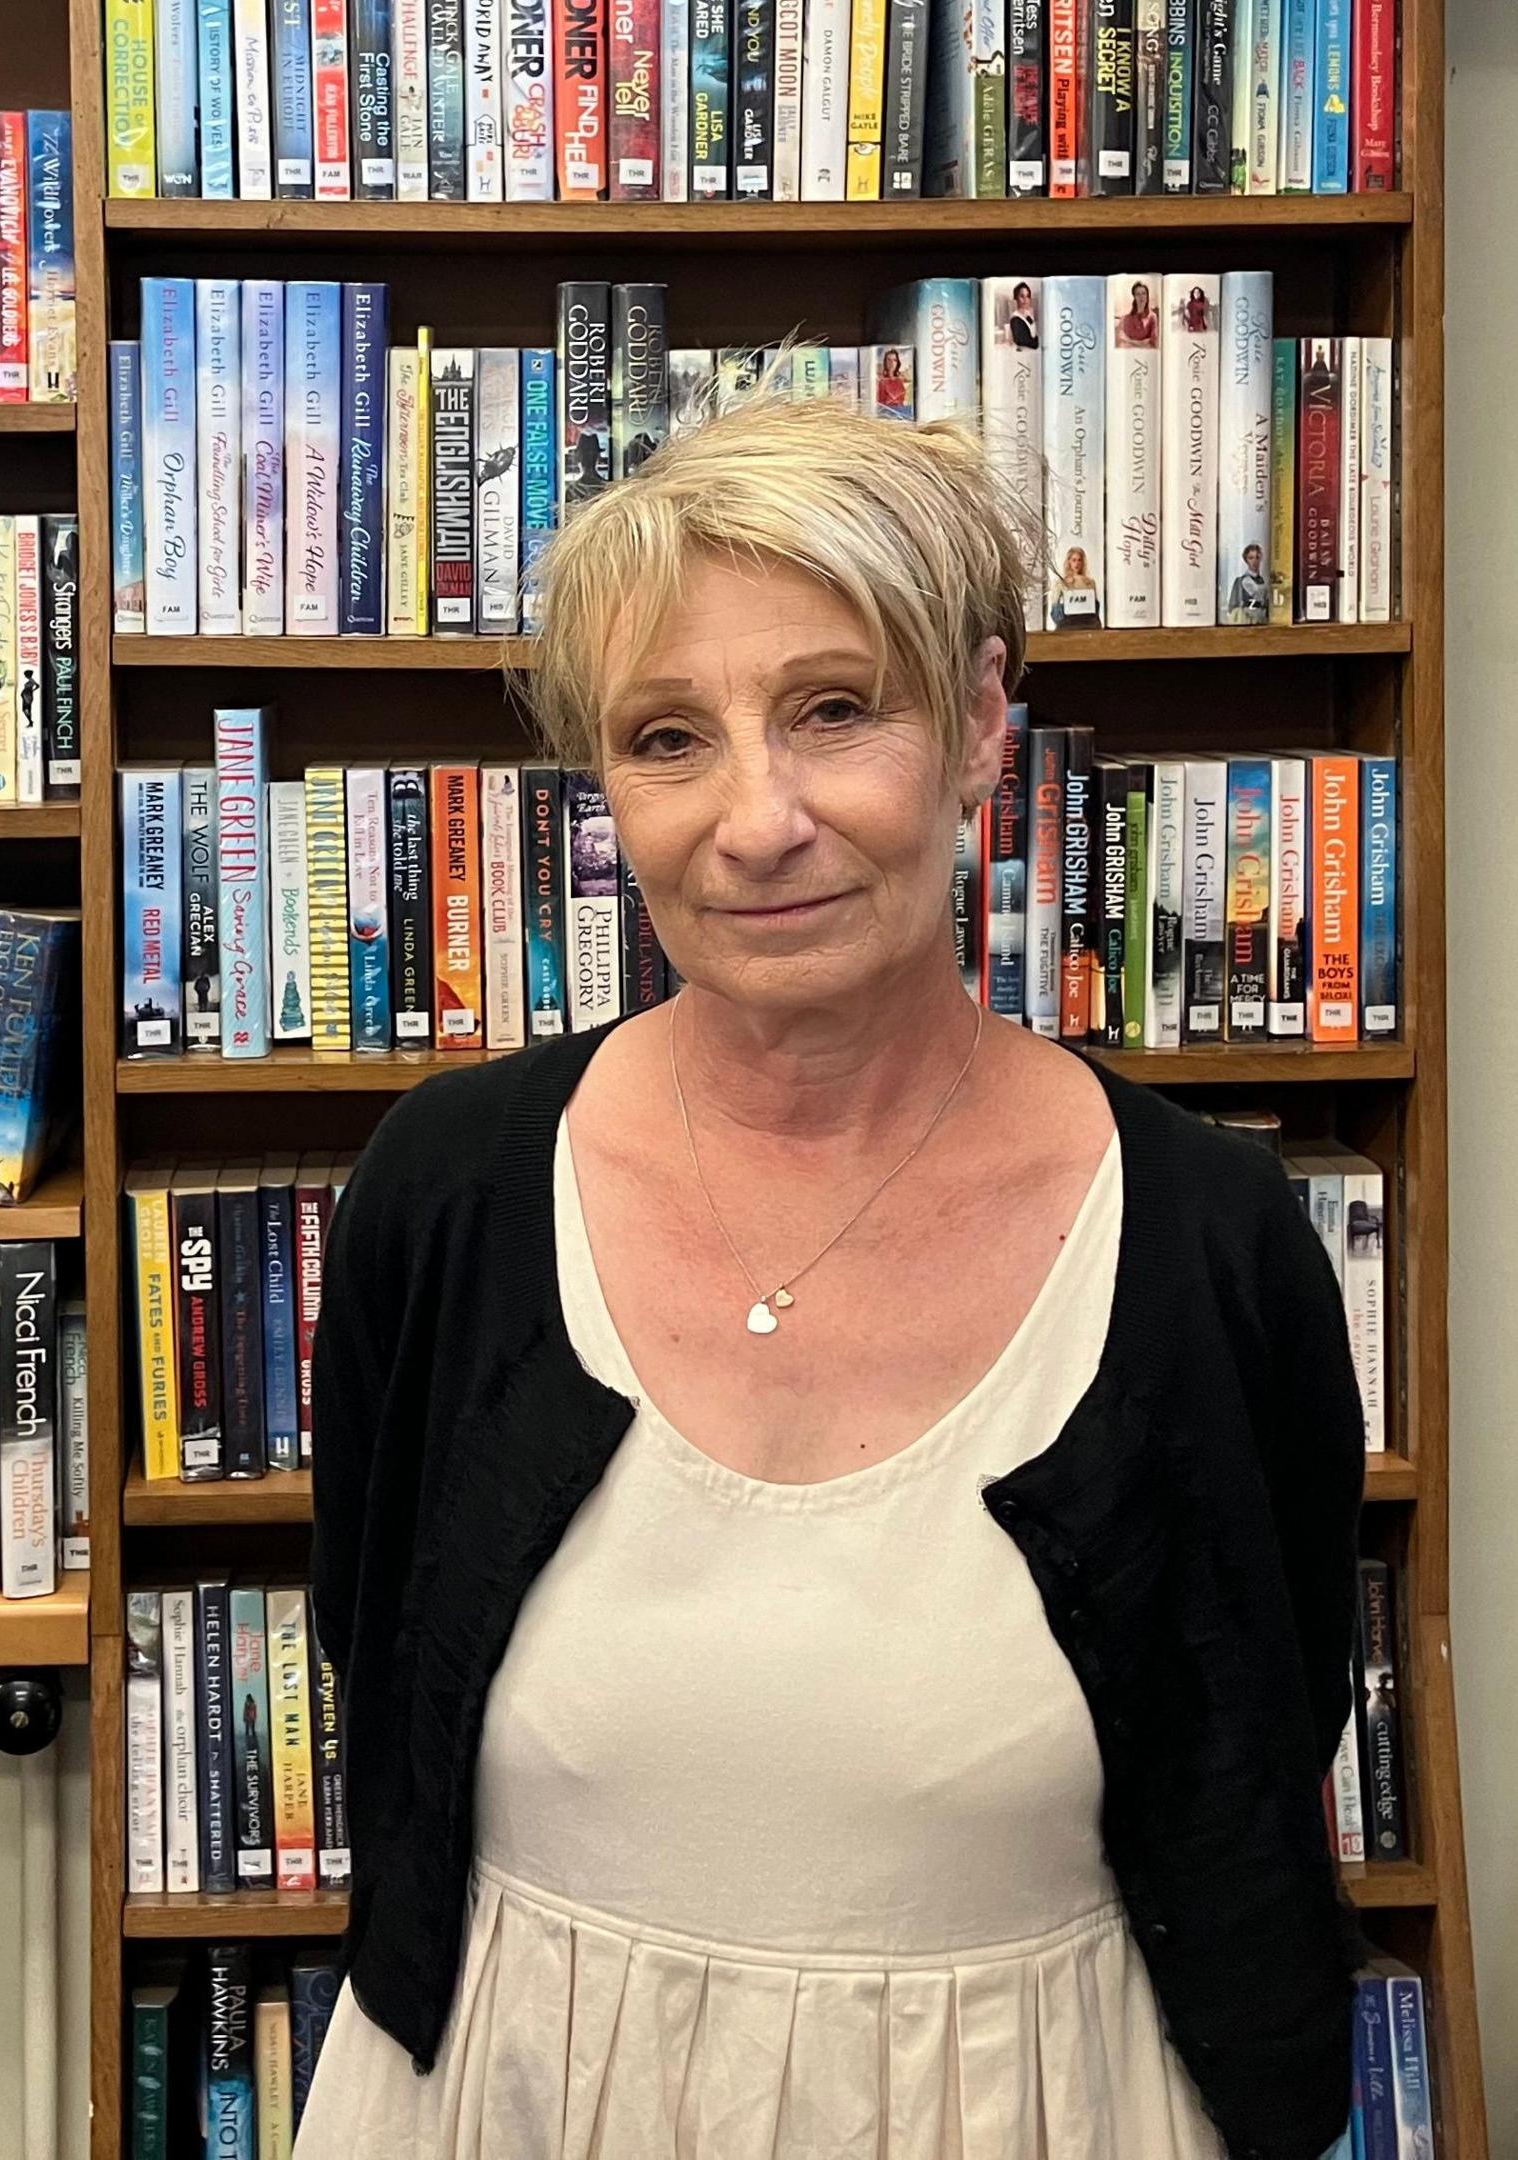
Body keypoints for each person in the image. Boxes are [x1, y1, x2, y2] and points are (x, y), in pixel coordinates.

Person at [296, 394, 1368, 2160]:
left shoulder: (1209, 1243)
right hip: (508, 2097)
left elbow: (1257, 1739)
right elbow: (379, 1643)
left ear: (980, 728)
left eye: (836, 710)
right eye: (667, 740)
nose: (757, 819)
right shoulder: (450, 1194)